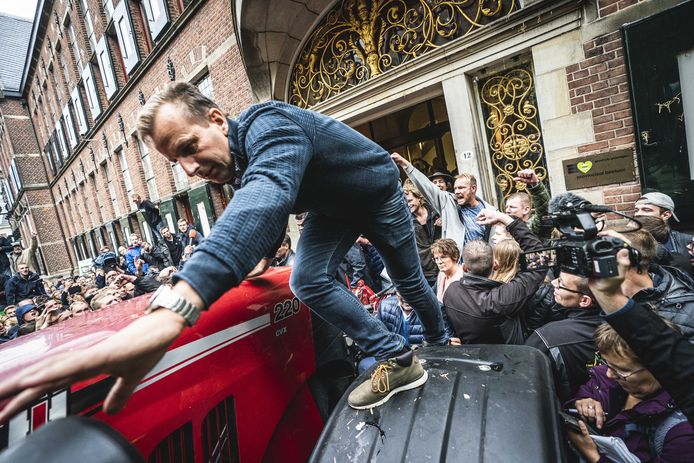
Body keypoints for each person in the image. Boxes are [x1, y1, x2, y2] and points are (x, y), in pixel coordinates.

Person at [0, 81, 450, 420]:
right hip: (333, 210)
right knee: (305, 279)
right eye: (177, 162)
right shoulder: (239, 166)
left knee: (409, 281)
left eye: (190, 148)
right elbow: (265, 211)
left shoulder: (270, 126)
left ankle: (440, 340)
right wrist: (256, 256)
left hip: (377, 195)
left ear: (218, 119)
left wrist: (176, 308)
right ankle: (398, 357)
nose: (191, 169)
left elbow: (268, 195)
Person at [566, 323, 694, 462]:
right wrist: (581, 402)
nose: (609, 374)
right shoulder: (612, 375)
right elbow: (588, 391)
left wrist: (593, 455)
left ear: (661, 367)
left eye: (622, 370)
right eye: (607, 363)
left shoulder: (684, 433)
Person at [444, 209, 545, 345]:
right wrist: (505, 219)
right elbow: (541, 261)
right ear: (496, 265)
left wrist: (449, 338)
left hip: (473, 360)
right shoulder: (500, 299)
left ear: (464, 268)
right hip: (510, 361)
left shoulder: (451, 291)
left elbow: (445, 322)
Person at [391, 152, 494, 252]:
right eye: (455, 188)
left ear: (473, 188)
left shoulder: (489, 211)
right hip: (459, 266)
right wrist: (405, 164)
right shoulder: (449, 203)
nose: (457, 191)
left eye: (461, 188)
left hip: (483, 264)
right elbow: (427, 186)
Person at [525, 272, 602, 401]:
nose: (553, 283)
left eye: (561, 283)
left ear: (584, 300)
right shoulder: (625, 322)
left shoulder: (548, 337)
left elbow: (524, 376)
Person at [634, 192, 693, 264]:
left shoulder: (686, 242)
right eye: (636, 210)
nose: (638, 214)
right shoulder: (628, 238)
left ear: (666, 215)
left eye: (646, 210)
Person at [404, 181, 440, 287]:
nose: (408, 204)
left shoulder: (435, 212)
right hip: (424, 270)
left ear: (419, 198)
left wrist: (444, 221)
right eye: (405, 202)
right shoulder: (406, 221)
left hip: (442, 263)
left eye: (410, 200)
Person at [503, 169, 551, 240]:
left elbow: (543, 210)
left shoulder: (533, 227)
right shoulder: (505, 228)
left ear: (526, 209)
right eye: (506, 207)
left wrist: (535, 185)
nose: (507, 210)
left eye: (512, 207)